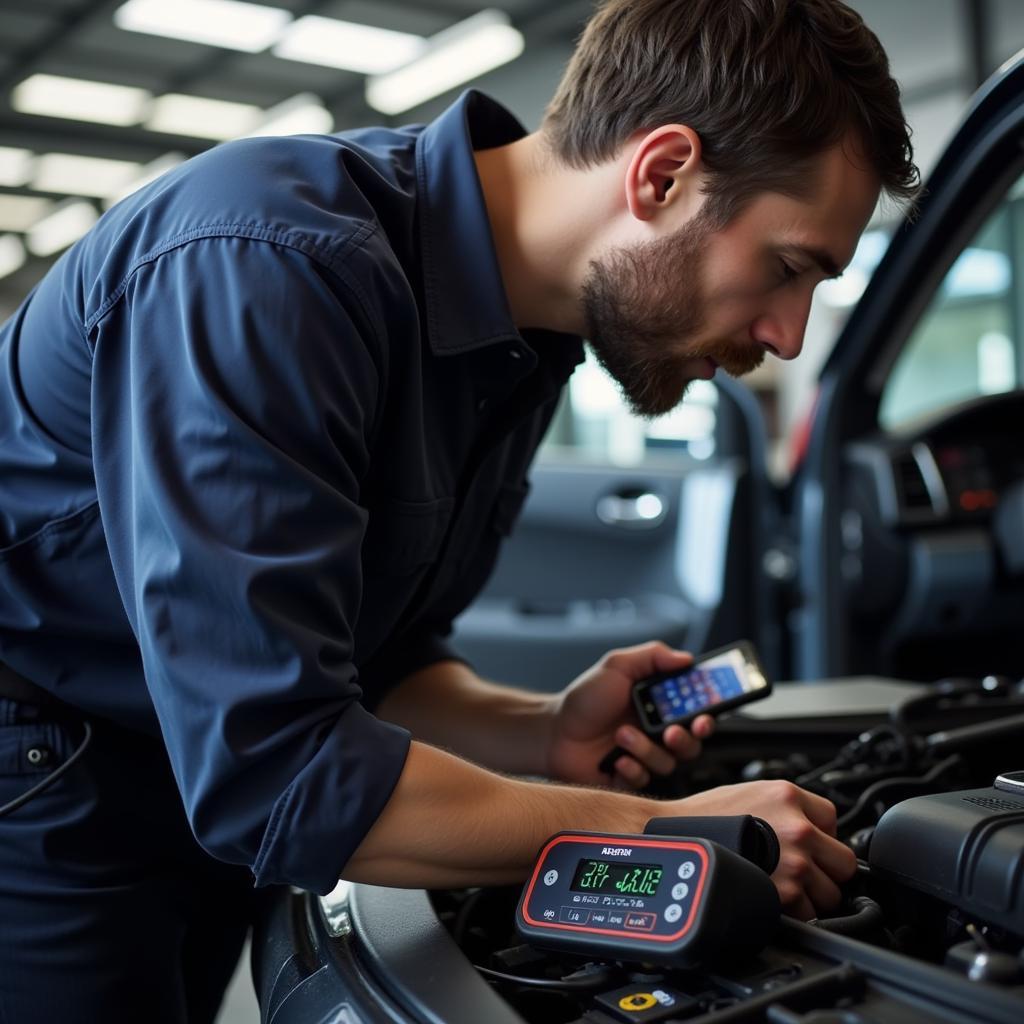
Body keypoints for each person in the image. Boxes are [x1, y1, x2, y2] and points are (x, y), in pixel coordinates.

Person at [0, 0, 918, 1020]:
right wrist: (663, 831)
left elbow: (373, 659)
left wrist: (542, 733)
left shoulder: (533, 337)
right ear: (661, 174)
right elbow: (280, 775)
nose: (789, 338)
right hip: (45, 768)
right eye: (789, 268)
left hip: (186, 768)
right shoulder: (267, 266)